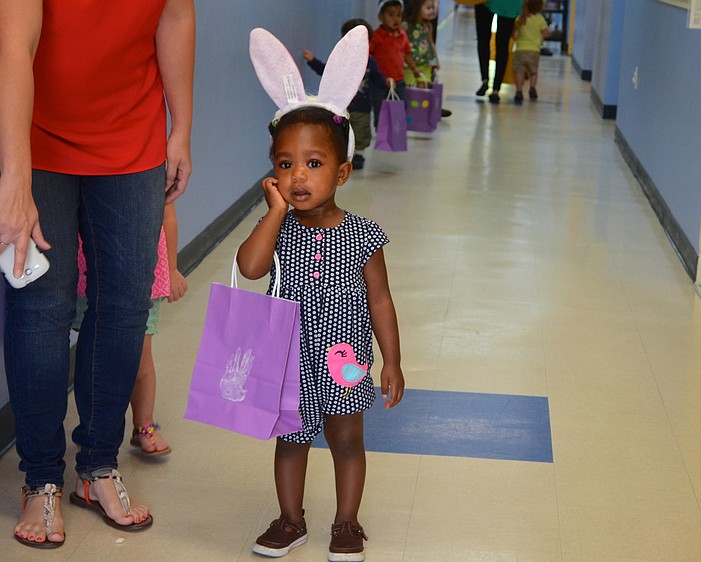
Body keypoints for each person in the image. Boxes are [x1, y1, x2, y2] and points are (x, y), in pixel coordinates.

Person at [0, 0, 194, 549]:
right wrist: (14, 176)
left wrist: (180, 128)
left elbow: (175, 16)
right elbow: (12, 42)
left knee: (126, 308)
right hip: (36, 136)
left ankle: (99, 467)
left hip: (133, 137)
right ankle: (40, 478)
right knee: (41, 308)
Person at [239, 105, 404, 561]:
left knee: (346, 439)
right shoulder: (278, 228)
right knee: (290, 439)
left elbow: (381, 301)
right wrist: (273, 213)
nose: (298, 177)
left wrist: (391, 360)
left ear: (343, 172)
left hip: (343, 359)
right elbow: (249, 268)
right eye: (285, 164)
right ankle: (290, 519)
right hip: (289, 358)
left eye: (314, 164)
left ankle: (347, 522)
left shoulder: (363, 234)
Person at [73, 203, 188, 456]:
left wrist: (170, 269)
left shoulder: (155, 169)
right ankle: (93, 430)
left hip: (145, 273)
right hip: (86, 269)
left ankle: (143, 425)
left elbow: (166, 214)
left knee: (140, 354)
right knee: (91, 354)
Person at [303, 19, 389, 171]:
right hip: (342, 106)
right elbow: (326, 72)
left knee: (361, 130)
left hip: (362, 106)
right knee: (341, 130)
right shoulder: (339, 62)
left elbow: (377, 78)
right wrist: (312, 61)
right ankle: (341, 153)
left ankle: (359, 155)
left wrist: (386, 82)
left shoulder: (369, 61)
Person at [370, 0, 419, 125]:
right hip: (380, 82)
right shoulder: (376, 36)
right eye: (390, 15)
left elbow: (407, 54)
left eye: (398, 15)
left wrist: (414, 69)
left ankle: (396, 130)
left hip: (399, 80)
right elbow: (368, 54)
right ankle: (382, 133)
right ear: (381, 17)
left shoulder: (402, 35)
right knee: (380, 109)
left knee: (402, 106)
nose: (395, 19)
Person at [474, 0, 526, 104]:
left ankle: (485, 80)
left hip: (488, 3)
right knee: (502, 44)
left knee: (483, 40)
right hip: (508, 4)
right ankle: (495, 89)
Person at [512, 0, 549, 104]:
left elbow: (514, 31)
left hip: (520, 49)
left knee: (520, 71)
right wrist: (540, 40)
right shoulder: (540, 19)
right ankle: (532, 88)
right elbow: (546, 33)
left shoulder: (521, 18)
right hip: (534, 50)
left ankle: (519, 91)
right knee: (533, 71)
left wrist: (515, 37)